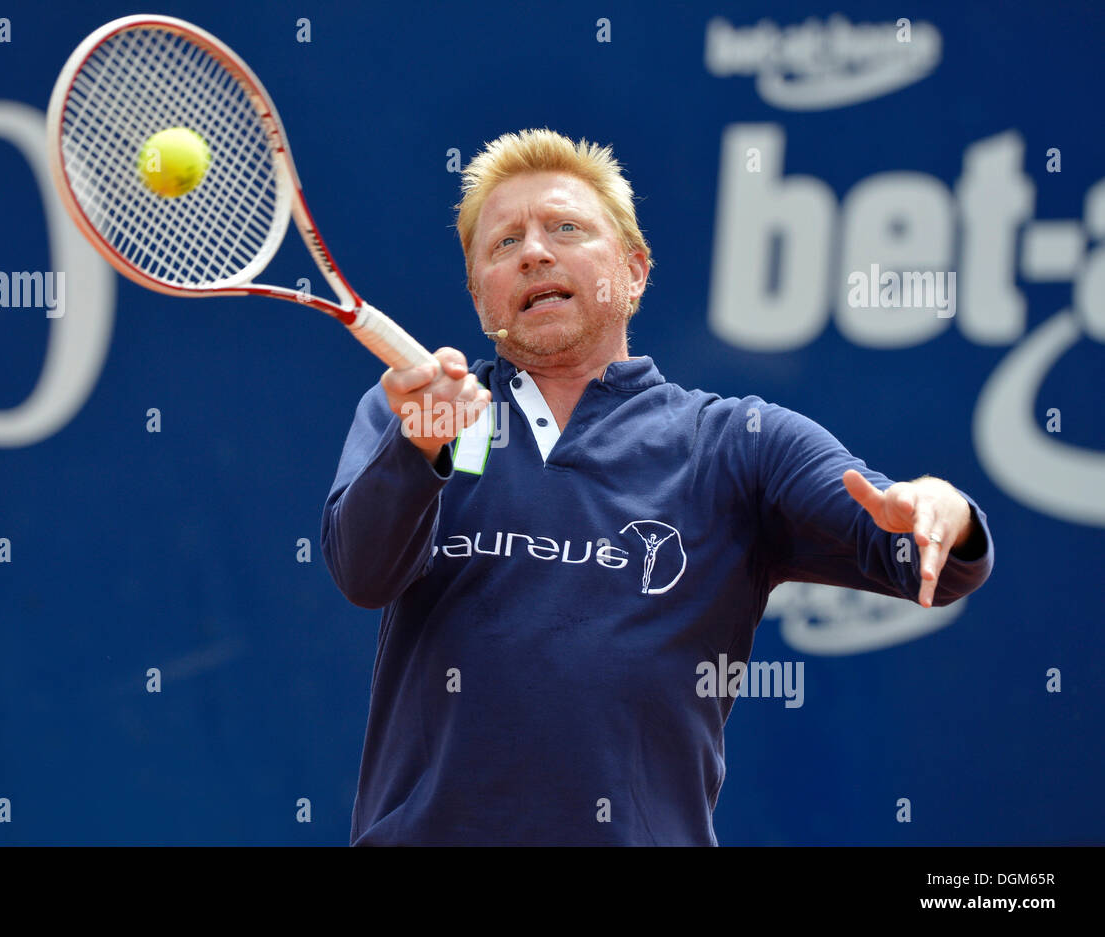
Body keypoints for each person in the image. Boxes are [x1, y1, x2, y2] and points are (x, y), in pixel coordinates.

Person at [320, 128, 994, 845]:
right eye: (503, 243)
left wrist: (942, 510)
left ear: (634, 271)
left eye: (566, 228)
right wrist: (419, 443)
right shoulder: (417, 415)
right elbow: (363, 572)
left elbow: (916, 552)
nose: (535, 251)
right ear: (481, 295)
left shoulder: (738, 442)